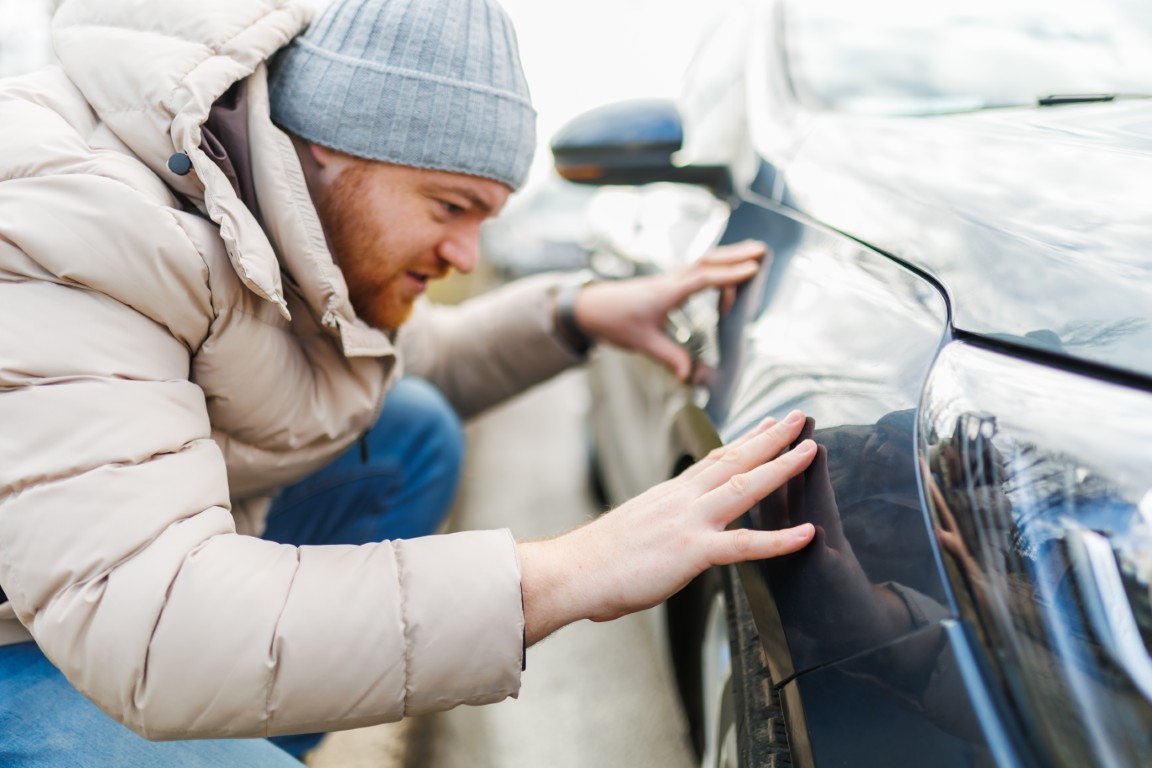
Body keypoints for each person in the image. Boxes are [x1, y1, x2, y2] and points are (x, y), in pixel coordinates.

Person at [0, 0, 818, 764]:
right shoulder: (90, 219)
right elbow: (154, 627)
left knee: (411, 428)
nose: (466, 256)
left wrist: (579, 314)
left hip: (84, 592)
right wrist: (575, 570)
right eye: (450, 206)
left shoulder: (263, 199)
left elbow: (397, 360)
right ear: (334, 143)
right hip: (44, 630)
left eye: (484, 222)